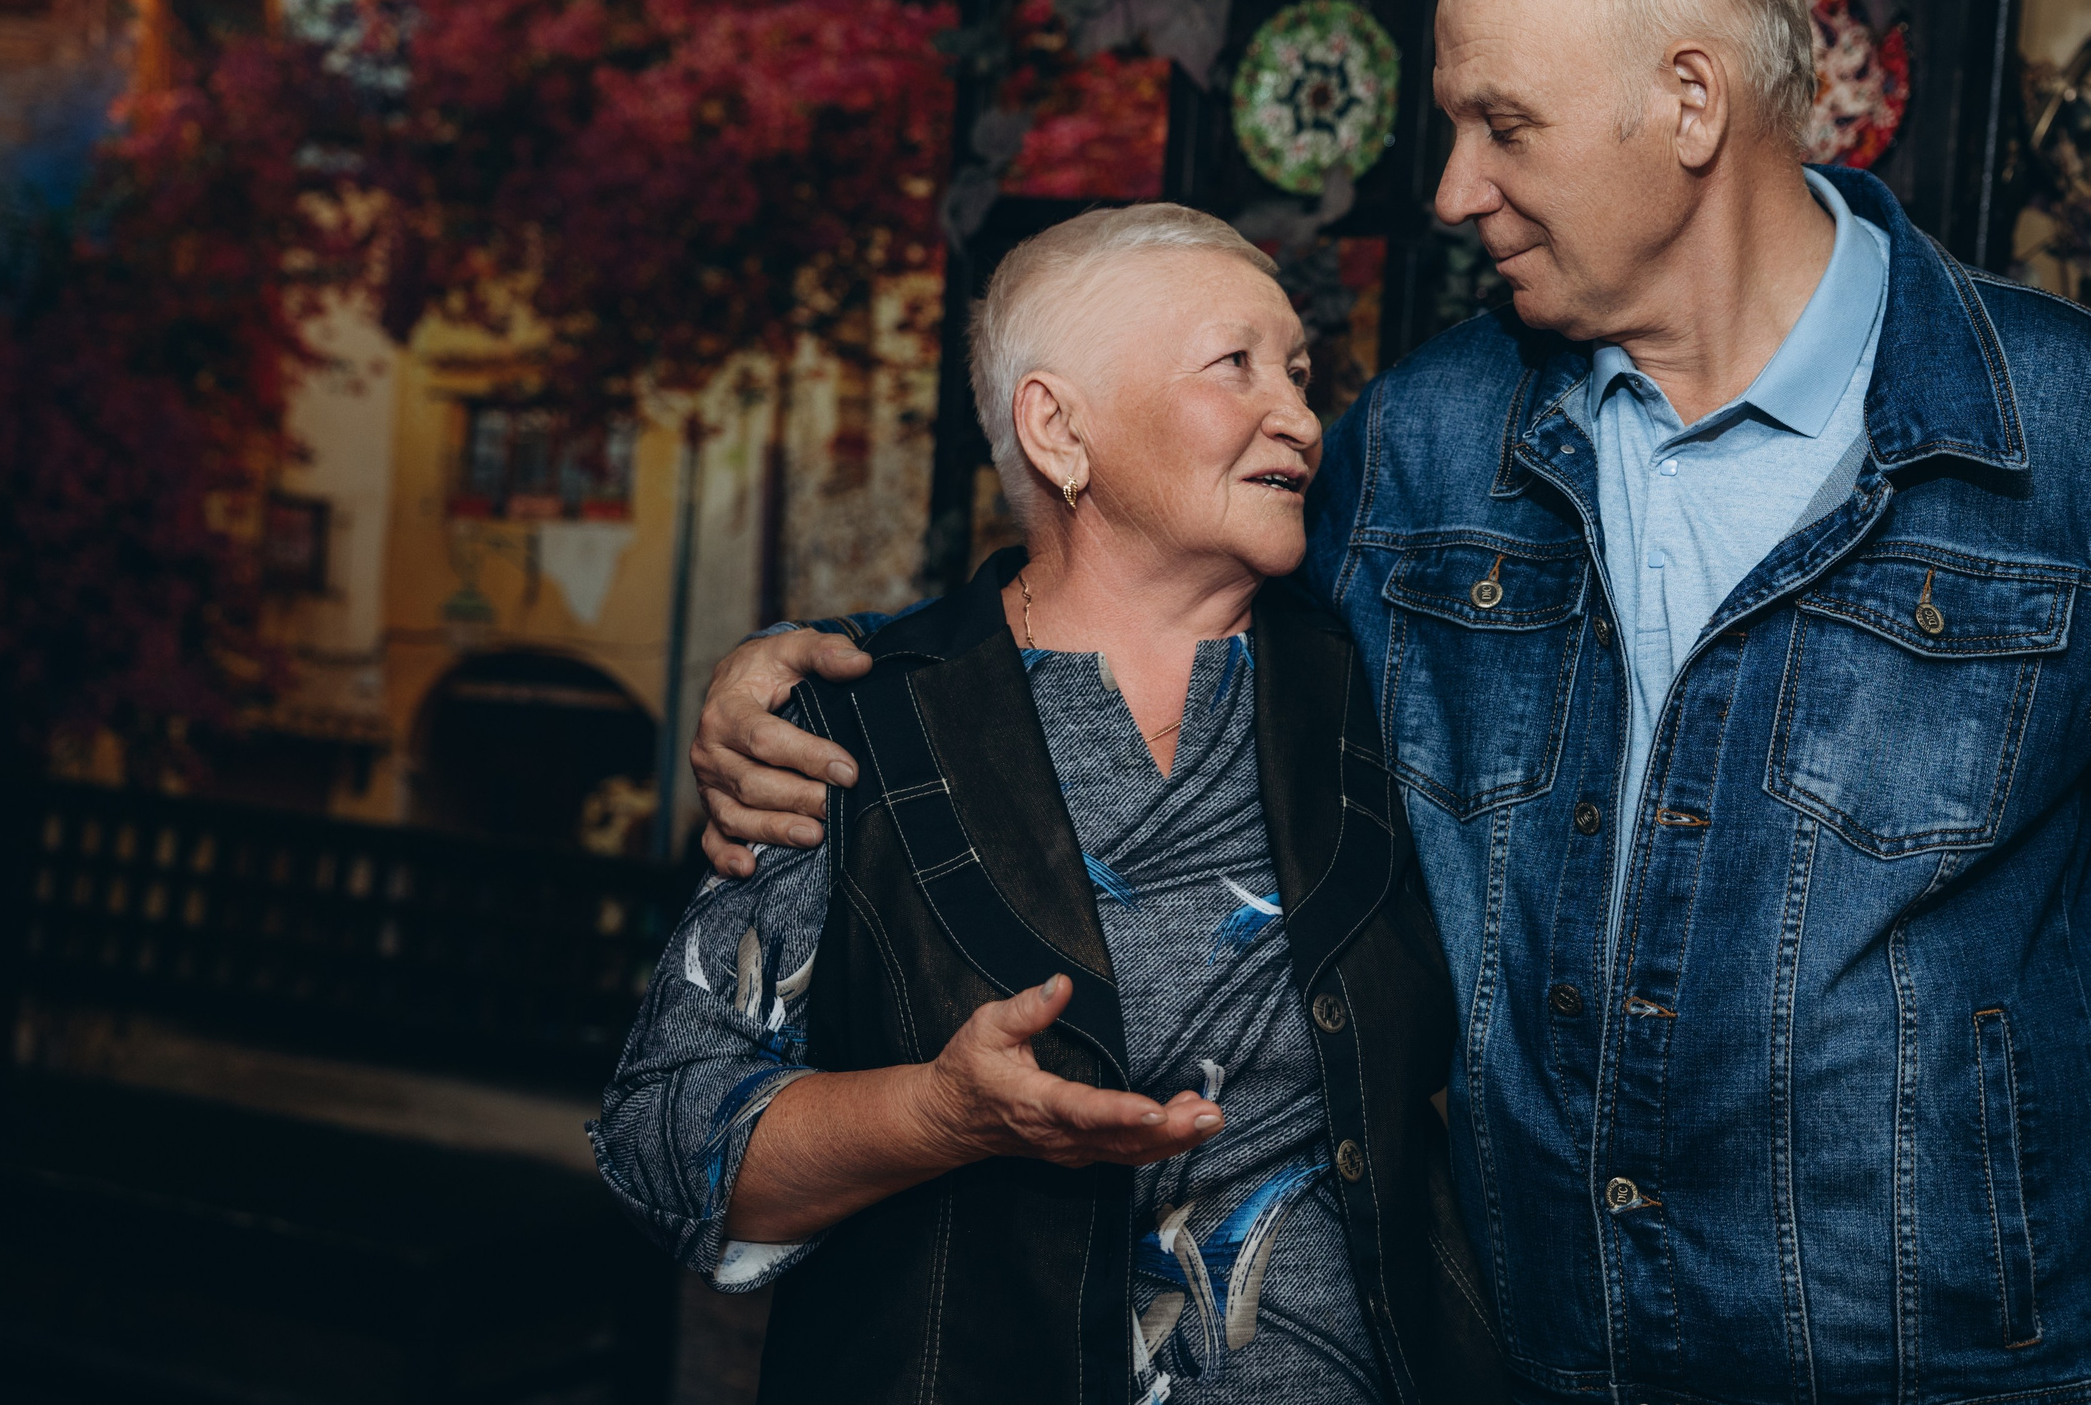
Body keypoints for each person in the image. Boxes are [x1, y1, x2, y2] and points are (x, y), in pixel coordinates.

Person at [692, 0, 2091, 1405]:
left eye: (1500, 125)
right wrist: (844, 674)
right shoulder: (1431, 445)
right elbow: (1157, 615)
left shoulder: (2067, 436)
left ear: (1690, 102)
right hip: (1510, 1358)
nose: (1450, 191)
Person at [593, 206, 1504, 1405]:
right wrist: (940, 1113)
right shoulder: (846, 729)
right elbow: (662, 1141)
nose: (1296, 413)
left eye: (1297, 370)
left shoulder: (1384, 697)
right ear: (1057, 427)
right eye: (1236, 365)